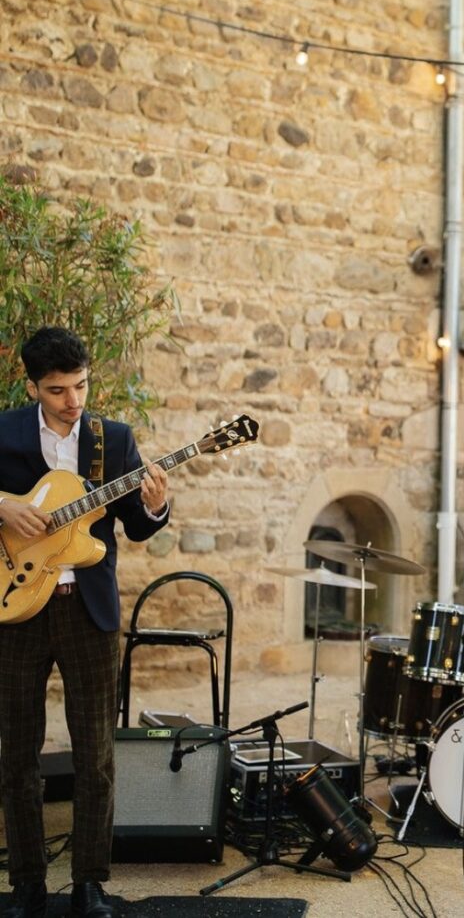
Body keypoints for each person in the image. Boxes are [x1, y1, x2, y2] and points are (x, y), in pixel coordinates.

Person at [0, 328, 170, 918]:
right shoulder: (3, 431)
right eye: (57, 390)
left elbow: (137, 525)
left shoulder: (113, 440)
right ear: (32, 387)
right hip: (15, 611)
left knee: (95, 754)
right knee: (16, 754)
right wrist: (2, 506)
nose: (73, 400)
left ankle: (90, 883)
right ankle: (25, 884)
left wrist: (153, 504)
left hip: (87, 609)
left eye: (80, 386)